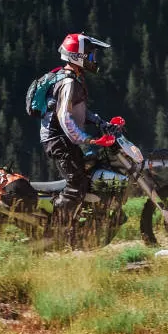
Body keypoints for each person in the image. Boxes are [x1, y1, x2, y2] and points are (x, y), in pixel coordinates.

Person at [39, 32, 115, 225]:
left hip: (63, 137)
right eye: (90, 56)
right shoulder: (69, 82)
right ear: (77, 57)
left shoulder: (74, 77)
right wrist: (88, 140)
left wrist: (100, 122)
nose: (94, 60)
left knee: (89, 171)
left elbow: (79, 112)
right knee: (77, 185)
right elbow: (64, 117)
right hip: (57, 139)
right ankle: (56, 228)